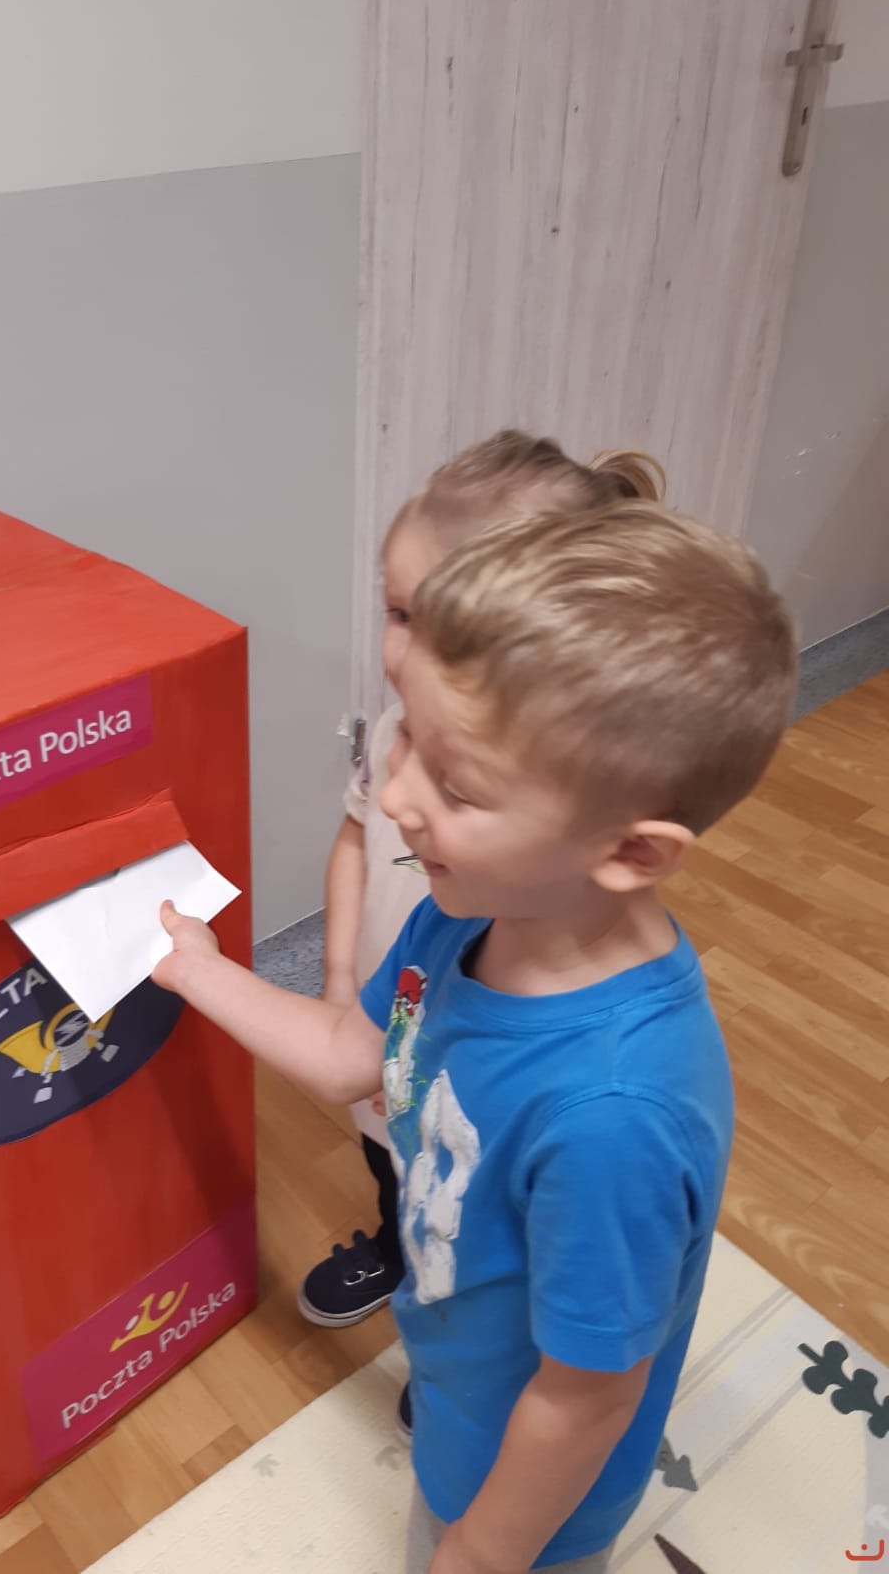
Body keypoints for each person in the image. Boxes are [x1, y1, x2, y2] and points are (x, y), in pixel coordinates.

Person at [152, 486, 796, 1572]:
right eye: (407, 737)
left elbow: (588, 1396)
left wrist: (482, 1555)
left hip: (531, 1517)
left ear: (630, 853)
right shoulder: (468, 922)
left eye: (454, 785)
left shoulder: (613, 1117)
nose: (398, 800)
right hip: (461, 1405)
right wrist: (197, 971)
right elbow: (352, 1057)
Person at [299, 434, 665, 1449]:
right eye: (398, 612)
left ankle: (457, 1347)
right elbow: (355, 839)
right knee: (392, 1161)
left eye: (455, 791)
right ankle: (399, 1251)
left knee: (461, 1204)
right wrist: (339, 975)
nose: (402, 800)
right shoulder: (394, 733)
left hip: (454, 1052)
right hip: (386, 1017)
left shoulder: (544, 820)